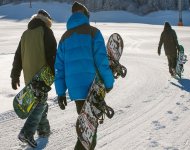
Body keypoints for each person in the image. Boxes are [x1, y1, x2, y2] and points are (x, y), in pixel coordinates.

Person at [54, 1, 114, 150]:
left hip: (77, 92)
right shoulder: (93, 32)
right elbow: (101, 61)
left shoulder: (64, 38)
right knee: (89, 135)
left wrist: (61, 92)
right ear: (85, 14)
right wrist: (108, 82)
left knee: (86, 130)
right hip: (92, 88)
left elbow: (59, 68)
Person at [10, 9, 57, 148]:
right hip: (42, 76)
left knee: (39, 102)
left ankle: (44, 130)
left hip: (28, 76)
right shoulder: (46, 31)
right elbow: (52, 55)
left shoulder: (25, 34)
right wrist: (56, 74)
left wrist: (15, 76)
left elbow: (18, 57)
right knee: (41, 103)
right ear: (46, 19)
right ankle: (27, 132)